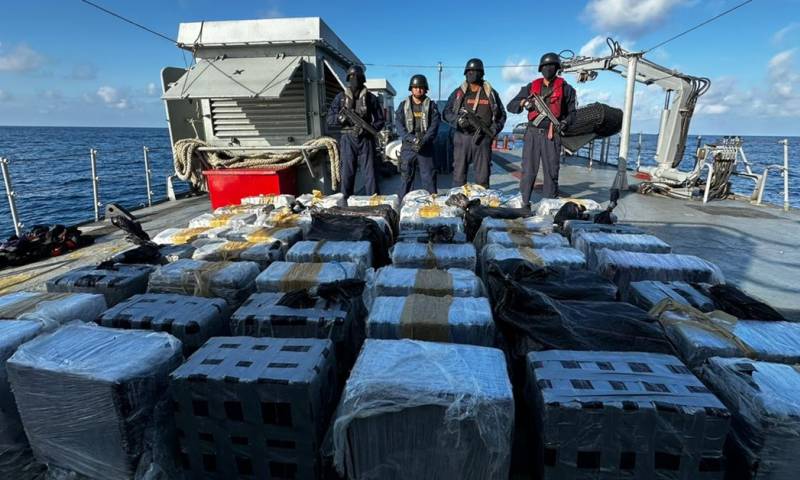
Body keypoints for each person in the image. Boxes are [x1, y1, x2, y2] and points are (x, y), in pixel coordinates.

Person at [507, 52, 576, 203]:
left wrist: (565, 123)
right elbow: (510, 106)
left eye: (551, 66)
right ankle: (524, 203)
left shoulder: (566, 89)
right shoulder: (531, 87)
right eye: (545, 66)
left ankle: (549, 204)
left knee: (551, 172)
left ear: (557, 68)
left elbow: (572, 114)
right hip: (532, 134)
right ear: (540, 68)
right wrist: (524, 103)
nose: (548, 68)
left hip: (552, 135)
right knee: (528, 171)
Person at [443, 58, 506, 188]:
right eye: (470, 71)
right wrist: (458, 121)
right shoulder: (459, 92)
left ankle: (481, 205)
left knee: (482, 178)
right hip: (462, 138)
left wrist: (493, 130)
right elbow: (446, 112)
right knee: (459, 177)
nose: (472, 74)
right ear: (465, 73)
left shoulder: (491, 93)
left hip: (483, 139)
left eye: (475, 71)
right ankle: (458, 203)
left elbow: (502, 115)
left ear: (482, 73)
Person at [326, 65, 385, 197]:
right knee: (347, 173)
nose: (355, 80)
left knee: (370, 174)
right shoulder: (340, 98)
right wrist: (341, 118)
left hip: (366, 138)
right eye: (352, 77)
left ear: (363, 79)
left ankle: (374, 202)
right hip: (347, 138)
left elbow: (380, 120)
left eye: (358, 77)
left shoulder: (370, 98)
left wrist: (369, 129)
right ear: (348, 79)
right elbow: (330, 119)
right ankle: (345, 202)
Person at [395, 74, 441, 198]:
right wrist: (412, 139)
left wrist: (424, 140)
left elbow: (434, 126)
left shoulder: (432, 106)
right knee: (406, 177)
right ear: (411, 89)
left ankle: (432, 203)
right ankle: (403, 204)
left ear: (425, 89)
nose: (418, 90)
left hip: (425, 145)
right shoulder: (403, 106)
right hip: (409, 146)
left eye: (421, 87)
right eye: (415, 87)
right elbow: (399, 126)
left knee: (429, 177)